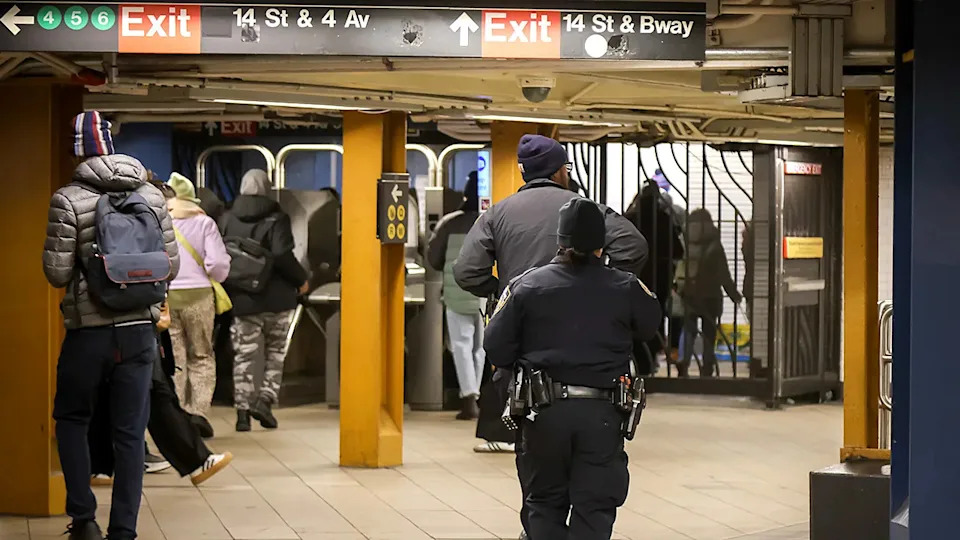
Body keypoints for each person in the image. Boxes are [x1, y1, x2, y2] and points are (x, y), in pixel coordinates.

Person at [454, 134, 648, 538]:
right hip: (597, 385)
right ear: (561, 170)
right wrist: (601, 278)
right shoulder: (584, 210)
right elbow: (634, 247)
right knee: (596, 493)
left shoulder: (499, 214)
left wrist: (504, 291)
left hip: (533, 375)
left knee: (542, 487)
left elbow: (467, 273)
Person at [484, 198, 661, 540]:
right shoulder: (624, 286)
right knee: (594, 505)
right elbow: (649, 325)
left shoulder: (526, 286)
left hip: (543, 412)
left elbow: (496, 346)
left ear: (560, 241)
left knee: (545, 502)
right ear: (601, 244)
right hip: (603, 413)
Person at [43, 111, 180, 540]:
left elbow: (57, 274)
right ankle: (124, 530)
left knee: (71, 418)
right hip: (140, 330)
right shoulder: (153, 196)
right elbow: (170, 267)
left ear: (78, 150)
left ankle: (84, 519)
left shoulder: (68, 199)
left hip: (90, 331)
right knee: (128, 431)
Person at [220, 169, 309, 431]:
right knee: (275, 354)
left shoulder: (227, 219)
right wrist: (300, 279)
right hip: (278, 299)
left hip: (243, 298)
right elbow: (282, 256)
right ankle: (265, 401)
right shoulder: (277, 218)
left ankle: (242, 413)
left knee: (244, 356)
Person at [166, 172, 231, 436]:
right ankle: (198, 412)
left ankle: (176, 415)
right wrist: (213, 275)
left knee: (176, 358)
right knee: (202, 355)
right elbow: (217, 264)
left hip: (168, 296)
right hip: (199, 296)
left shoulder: (161, 223)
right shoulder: (204, 223)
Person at [427, 172, 485, 420]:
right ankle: (480, 395)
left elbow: (434, 259)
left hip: (456, 293)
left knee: (461, 345)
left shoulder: (448, 223)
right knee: (481, 348)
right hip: (485, 295)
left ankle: (468, 398)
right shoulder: (489, 220)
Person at [624, 180, 685, 362]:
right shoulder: (664, 219)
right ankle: (651, 356)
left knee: (632, 316)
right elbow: (678, 251)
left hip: (634, 275)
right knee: (656, 316)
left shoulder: (630, 218)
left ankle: (637, 357)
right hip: (660, 277)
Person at [678, 209, 742, 378]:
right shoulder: (714, 245)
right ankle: (706, 368)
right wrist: (734, 294)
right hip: (710, 296)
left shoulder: (684, 242)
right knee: (709, 333)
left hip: (689, 294)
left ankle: (682, 363)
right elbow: (723, 274)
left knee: (689, 330)